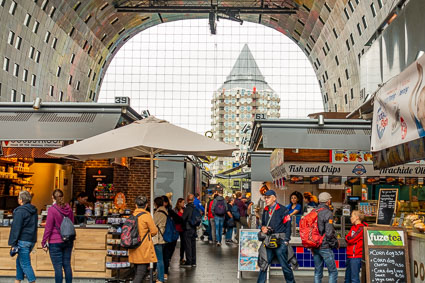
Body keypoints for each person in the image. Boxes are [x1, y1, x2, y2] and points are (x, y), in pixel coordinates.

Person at [257, 190, 294, 283]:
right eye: (265, 197)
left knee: (285, 266)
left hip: (280, 241)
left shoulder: (283, 209)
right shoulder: (265, 210)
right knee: (264, 264)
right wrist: (262, 228)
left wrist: (286, 240)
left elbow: (288, 225)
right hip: (268, 240)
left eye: (268, 197)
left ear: (274, 198)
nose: (266, 199)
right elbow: (263, 224)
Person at [42, 189, 75, 283]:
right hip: (68, 240)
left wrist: (43, 242)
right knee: (67, 265)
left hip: (55, 241)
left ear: (53, 198)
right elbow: (71, 223)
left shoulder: (52, 210)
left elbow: (48, 228)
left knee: (58, 268)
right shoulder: (69, 208)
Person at [8, 191, 38, 283]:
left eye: (18, 198)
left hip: (23, 240)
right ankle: (17, 280)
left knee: (25, 264)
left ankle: (32, 281)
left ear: (21, 200)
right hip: (31, 240)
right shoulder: (34, 210)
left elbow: (16, 228)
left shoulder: (19, 211)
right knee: (19, 262)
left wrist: (13, 243)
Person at [128, 195, 158, 283]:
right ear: (146, 205)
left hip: (133, 247)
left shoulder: (132, 216)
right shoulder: (147, 216)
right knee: (141, 274)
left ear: (136, 205)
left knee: (137, 272)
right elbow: (154, 231)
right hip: (143, 249)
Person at [313, 192, 339, 283]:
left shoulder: (313, 211)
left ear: (319, 201)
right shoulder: (328, 213)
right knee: (333, 272)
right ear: (328, 201)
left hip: (315, 246)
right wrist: (334, 243)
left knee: (317, 272)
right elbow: (329, 233)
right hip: (325, 246)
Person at [162, 195, 182, 281]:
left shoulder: (157, 212)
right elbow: (180, 220)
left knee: (162, 255)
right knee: (166, 255)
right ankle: (164, 272)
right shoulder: (170, 212)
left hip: (162, 236)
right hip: (169, 236)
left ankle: (162, 271)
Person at [345, 210, 367, 283]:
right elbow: (348, 237)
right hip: (350, 255)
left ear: (357, 217)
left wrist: (348, 238)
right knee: (347, 279)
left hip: (356, 256)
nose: (350, 218)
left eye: (352, 216)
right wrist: (348, 238)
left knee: (354, 279)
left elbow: (351, 239)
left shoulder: (361, 228)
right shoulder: (353, 227)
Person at [153, 197, 167, 283]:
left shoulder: (159, 213)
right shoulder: (164, 211)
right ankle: (160, 277)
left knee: (159, 259)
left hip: (158, 238)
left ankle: (160, 278)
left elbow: (152, 223)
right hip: (161, 238)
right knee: (160, 259)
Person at [182, 194, 197, 267]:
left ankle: (189, 261)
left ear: (187, 200)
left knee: (188, 245)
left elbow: (183, 218)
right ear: (193, 199)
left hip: (188, 228)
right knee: (193, 245)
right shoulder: (195, 207)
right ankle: (194, 261)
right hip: (194, 228)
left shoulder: (187, 208)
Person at [174, 198, 186, 265]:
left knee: (183, 244)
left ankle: (182, 257)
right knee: (173, 243)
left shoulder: (184, 209)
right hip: (176, 228)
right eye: (183, 202)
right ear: (179, 203)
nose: (184, 204)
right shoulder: (175, 210)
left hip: (183, 228)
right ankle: (170, 257)